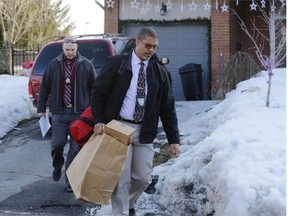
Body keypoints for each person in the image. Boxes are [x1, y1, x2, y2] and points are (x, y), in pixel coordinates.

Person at [91, 27, 180, 216]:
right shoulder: (117, 64)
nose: (151, 51)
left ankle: (129, 203)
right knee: (120, 178)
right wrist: (98, 120)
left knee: (143, 178)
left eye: (155, 47)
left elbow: (167, 108)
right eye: (148, 46)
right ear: (137, 42)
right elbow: (98, 93)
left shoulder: (160, 72)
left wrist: (174, 139)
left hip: (144, 130)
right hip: (118, 128)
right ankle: (120, 212)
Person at [37, 36, 96, 192]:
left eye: (72, 50)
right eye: (67, 49)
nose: (70, 53)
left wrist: (95, 110)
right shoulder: (53, 65)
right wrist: (41, 108)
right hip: (59, 112)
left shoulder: (86, 65)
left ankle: (70, 180)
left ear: (77, 49)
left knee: (75, 149)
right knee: (57, 144)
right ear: (63, 49)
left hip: (80, 114)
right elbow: (44, 88)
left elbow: (95, 89)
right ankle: (57, 166)